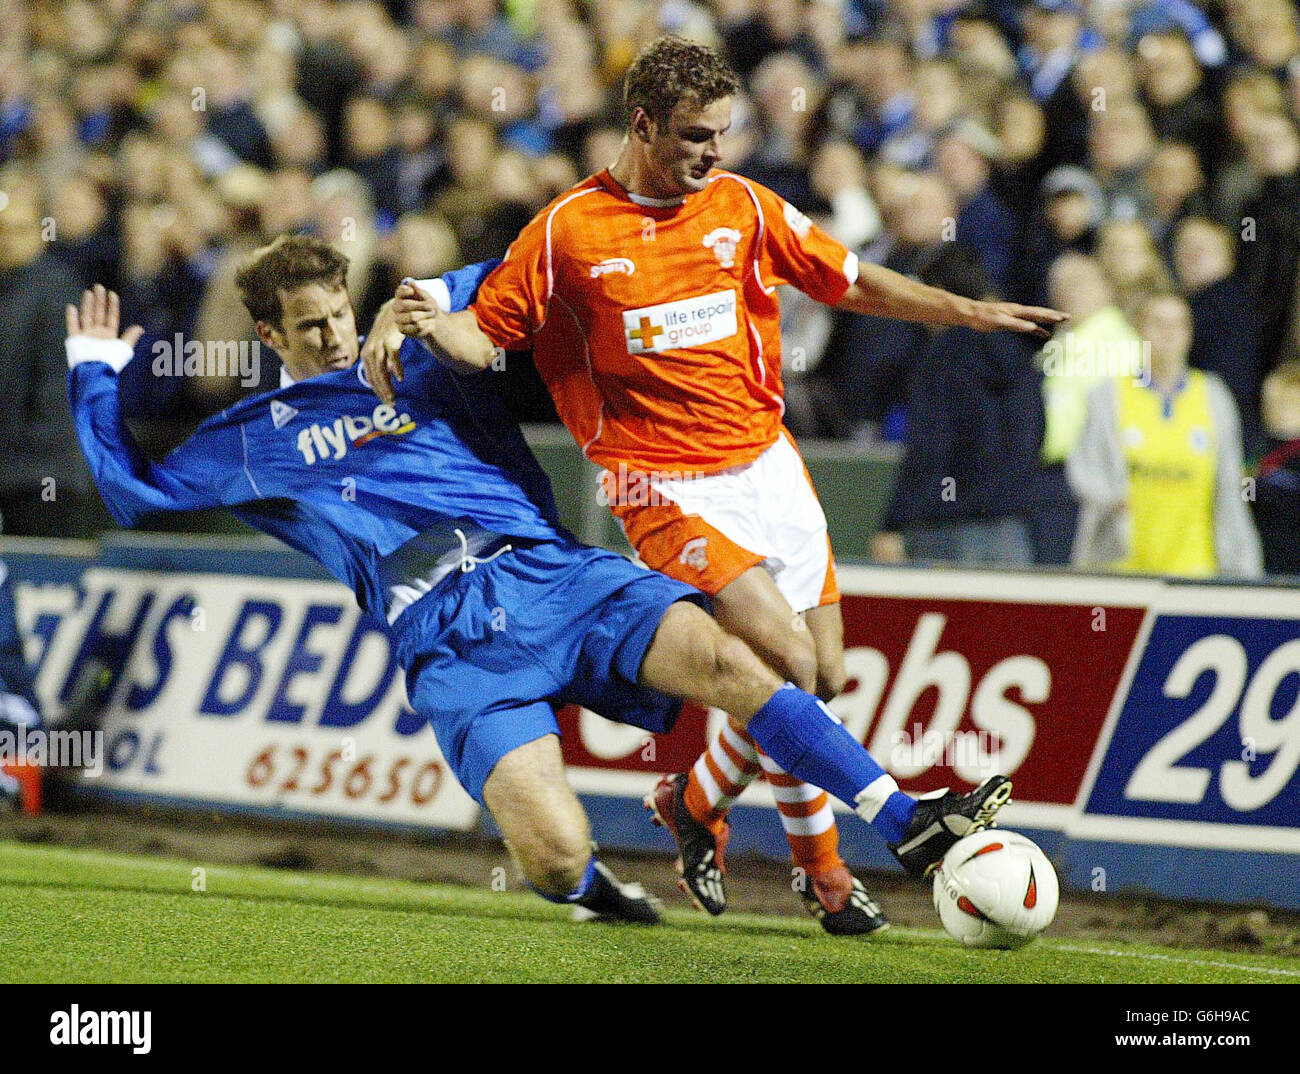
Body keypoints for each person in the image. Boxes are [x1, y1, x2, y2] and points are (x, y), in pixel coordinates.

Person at [66, 238, 1015, 927]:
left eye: (340, 314)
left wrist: (435, 295)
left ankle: (904, 819)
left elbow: (540, 265)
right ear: (270, 333)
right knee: (555, 855)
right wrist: (94, 378)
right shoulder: (255, 438)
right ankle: (595, 894)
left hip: (551, 575)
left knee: (738, 662)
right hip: (447, 641)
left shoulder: (426, 360)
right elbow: (133, 494)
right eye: (307, 327)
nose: (331, 336)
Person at [367, 37, 1061, 930]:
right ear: (642, 124)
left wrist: (965, 311)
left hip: (768, 462)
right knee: (788, 665)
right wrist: (431, 324)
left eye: (725, 133)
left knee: (830, 674)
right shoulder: (567, 232)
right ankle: (844, 857)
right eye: (697, 136)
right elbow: (483, 337)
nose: (715, 153)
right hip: (663, 484)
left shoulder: (741, 205)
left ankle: (694, 804)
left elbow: (850, 280)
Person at [1067, 292, 1263, 578]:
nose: (1168, 334)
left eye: (1178, 325)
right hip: (1121, 571)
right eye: (1157, 323)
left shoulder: (1212, 396)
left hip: (1196, 571)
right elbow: (1086, 472)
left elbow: (1230, 488)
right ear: (1139, 330)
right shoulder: (1109, 396)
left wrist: (1243, 565)